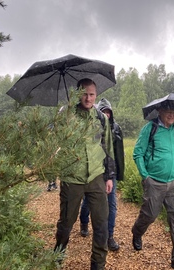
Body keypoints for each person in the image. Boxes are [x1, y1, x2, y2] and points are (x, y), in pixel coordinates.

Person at [54, 78, 115, 270]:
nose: (88, 98)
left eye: (91, 94)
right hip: (72, 176)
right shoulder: (67, 115)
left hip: (96, 176)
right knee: (66, 222)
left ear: (96, 95)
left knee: (101, 224)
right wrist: (65, 112)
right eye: (84, 94)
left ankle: (98, 264)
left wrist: (109, 176)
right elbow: (56, 137)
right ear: (77, 94)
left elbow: (108, 147)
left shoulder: (101, 118)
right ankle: (57, 257)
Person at [131, 100, 174, 270]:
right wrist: (146, 177)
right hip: (154, 183)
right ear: (159, 111)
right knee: (149, 215)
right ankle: (137, 232)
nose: (172, 114)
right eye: (168, 110)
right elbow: (137, 154)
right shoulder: (150, 129)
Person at [79, 98, 125, 252]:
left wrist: (117, 173)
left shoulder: (117, 128)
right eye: (104, 112)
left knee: (112, 205)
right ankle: (84, 222)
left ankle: (109, 236)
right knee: (88, 201)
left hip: (110, 171)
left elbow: (118, 154)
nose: (107, 115)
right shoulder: (93, 126)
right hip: (95, 172)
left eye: (109, 112)